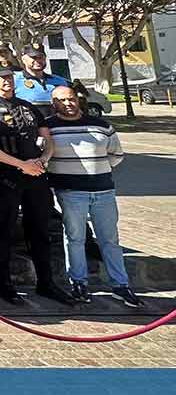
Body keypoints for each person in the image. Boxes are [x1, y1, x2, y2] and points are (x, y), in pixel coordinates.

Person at [0, 61, 76, 306]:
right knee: (3, 231)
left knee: (40, 229)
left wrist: (43, 160)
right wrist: (21, 165)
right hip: (3, 177)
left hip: (35, 176)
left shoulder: (26, 107)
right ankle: (5, 285)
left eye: (9, 76)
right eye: (1, 76)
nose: (6, 80)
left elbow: (47, 138)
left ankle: (46, 282)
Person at [43, 87, 140, 307]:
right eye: (62, 100)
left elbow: (116, 154)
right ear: (54, 103)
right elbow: (44, 156)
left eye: (71, 99)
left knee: (110, 240)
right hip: (70, 191)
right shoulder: (49, 127)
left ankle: (120, 285)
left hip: (103, 190)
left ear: (78, 100)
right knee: (75, 238)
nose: (68, 103)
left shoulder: (101, 125)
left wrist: (97, 169)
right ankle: (78, 282)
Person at [14, 41, 68, 119]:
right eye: (33, 57)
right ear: (23, 59)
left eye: (40, 57)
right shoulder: (14, 80)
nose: (38, 60)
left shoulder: (60, 81)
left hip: (57, 126)